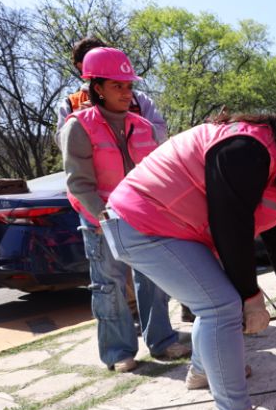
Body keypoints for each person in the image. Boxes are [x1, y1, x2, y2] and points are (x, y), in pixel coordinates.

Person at [102, 100, 276, 410]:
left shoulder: (271, 156)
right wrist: (251, 298)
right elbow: (230, 225)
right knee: (222, 305)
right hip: (141, 224)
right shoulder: (247, 149)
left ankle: (203, 371)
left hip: (157, 224)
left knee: (213, 303)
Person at [58, 47, 189, 372]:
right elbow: (79, 183)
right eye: (117, 85)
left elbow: (158, 175)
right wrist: (104, 216)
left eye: (129, 85)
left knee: (154, 280)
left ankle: (162, 341)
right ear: (97, 87)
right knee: (109, 287)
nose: (126, 92)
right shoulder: (78, 127)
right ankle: (118, 352)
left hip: (143, 220)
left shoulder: (143, 126)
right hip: (99, 221)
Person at [55, 37, 167, 144]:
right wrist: (78, 122)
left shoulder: (139, 99)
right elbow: (62, 141)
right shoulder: (70, 103)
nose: (104, 63)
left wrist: (125, 122)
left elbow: (161, 133)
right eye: (93, 59)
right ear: (80, 66)